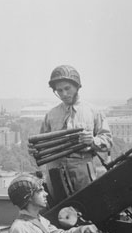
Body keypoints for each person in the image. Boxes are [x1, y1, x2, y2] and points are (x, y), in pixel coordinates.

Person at [40, 65, 112, 196]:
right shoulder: (51, 115)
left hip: (82, 169)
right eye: (59, 90)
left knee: (86, 206)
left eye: (67, 88)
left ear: (77, 86)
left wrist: (93, 141)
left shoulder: (93, 111)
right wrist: (35, 150)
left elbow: (107, 141)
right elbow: (42, 145)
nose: (64, 94)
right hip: (55, 171)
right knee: (58, 211)